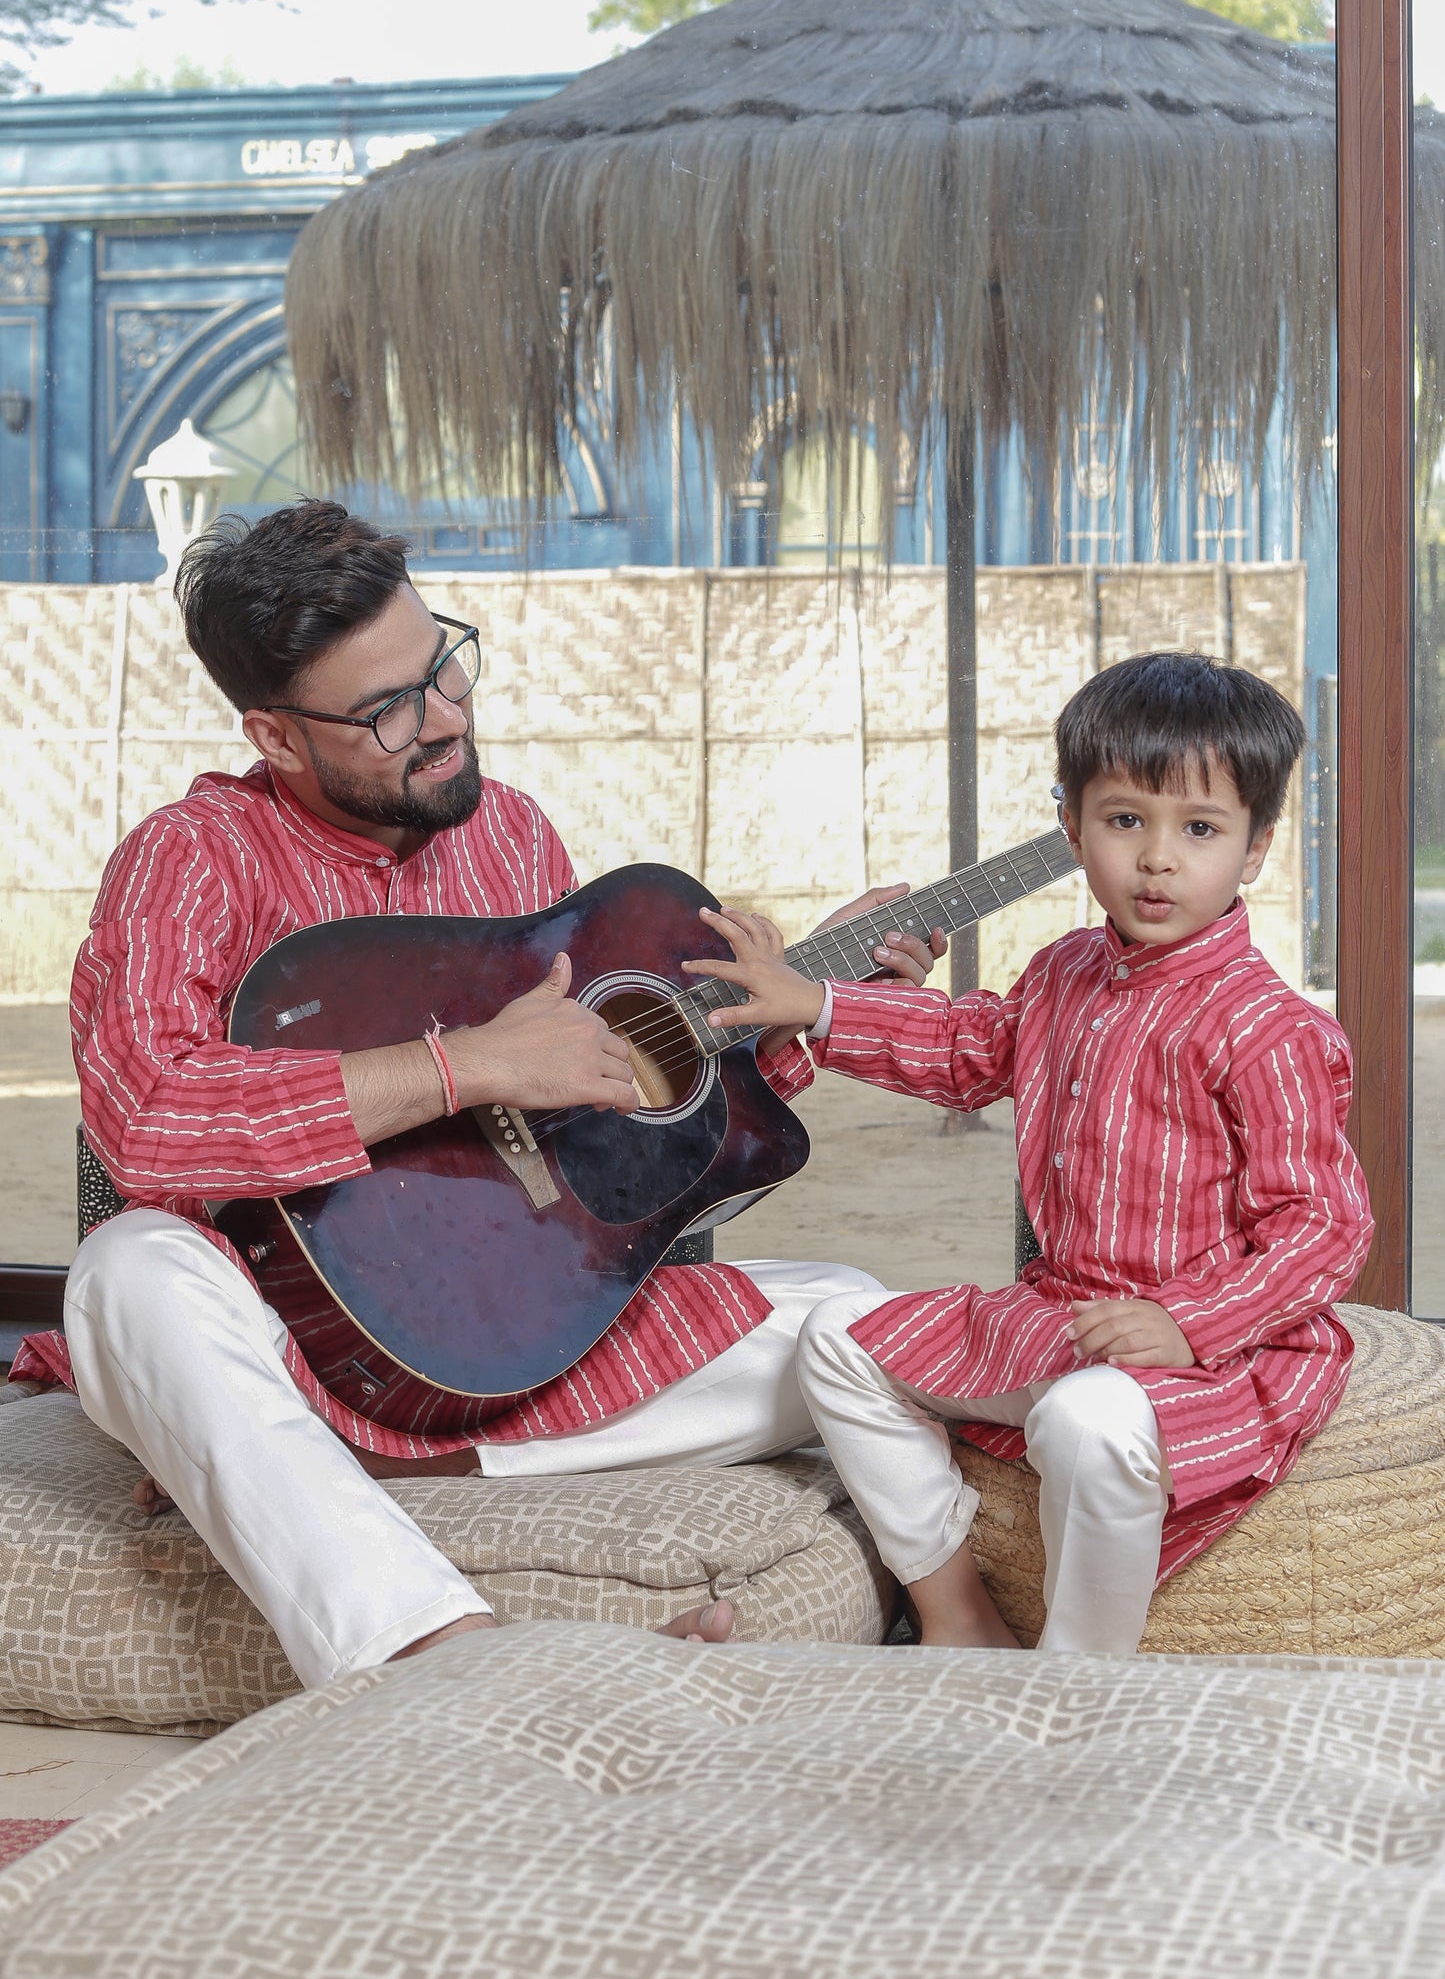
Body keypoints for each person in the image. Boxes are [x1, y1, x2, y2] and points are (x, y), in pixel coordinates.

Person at [15, 500, 945, 1686]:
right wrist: (467, 1064)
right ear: (277, 734)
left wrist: (792, 1005)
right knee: (130, 1272)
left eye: (442, 664)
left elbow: (587, 1135)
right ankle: (444, 1653)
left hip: (506, 1345)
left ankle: (321, 1471)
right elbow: (146, 1119)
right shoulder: (191, 856)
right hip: (281, 1333)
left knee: (856, 1319)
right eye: (389, 708)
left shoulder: (508, 833)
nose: (446, 717)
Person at [683, 651, 1374, 1654]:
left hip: (1211, 1350)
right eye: (1123, 819)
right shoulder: (1061, 973)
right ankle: (957, 1612)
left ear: (1255, 847)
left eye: (1199, 828)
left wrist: (1181, 1321)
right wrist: (814, 1003)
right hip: (1058, 1315)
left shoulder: (1266, 1028)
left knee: (1083, 1424)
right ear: (1070, 828)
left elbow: (1322, 1225)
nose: (1155, 858)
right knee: (834, 1338)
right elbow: (966, 1051)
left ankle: (1074, 1676)